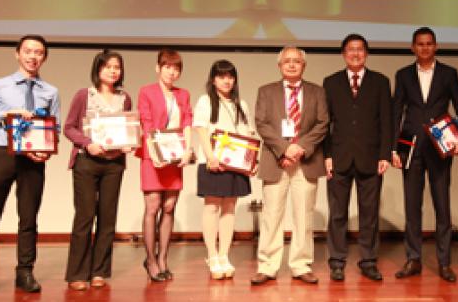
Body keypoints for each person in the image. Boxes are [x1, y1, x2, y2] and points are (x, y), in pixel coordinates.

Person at [0, 35, 60, 300]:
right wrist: (6, 116)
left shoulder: (50, 91)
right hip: (1, 154)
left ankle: (25, 272)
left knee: (29, 218)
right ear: (17, 54)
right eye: (28, 51)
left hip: (33, 159)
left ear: (44, 57)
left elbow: (56, 128)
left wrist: (47, 150)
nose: (33, 56)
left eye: (39, 52)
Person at [391, 27, 458, 282]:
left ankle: (444, 263)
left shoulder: (449, 73)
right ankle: (413, 259)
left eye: (429, 44)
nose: (425, 48)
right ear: (413, 48)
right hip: (410, 147)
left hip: (440, 149)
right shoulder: (403, 74)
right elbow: (396, 112)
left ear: (436, 46)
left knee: (442, 206)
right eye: (420, 44)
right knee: (412, 207)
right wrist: (392, 148)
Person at [251, 46, 329, 285]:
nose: (292, 65)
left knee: (303, 216)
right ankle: (267, 266)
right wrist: (285, 149)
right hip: (276, 160)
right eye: (288, 61)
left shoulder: (317, 91)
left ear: (304, 65)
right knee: (271, 216)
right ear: (280, 65)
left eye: (297, 61)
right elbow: (262, 123)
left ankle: (300, 265)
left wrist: (300, 147)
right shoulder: (266, 91)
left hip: (306, 161)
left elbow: (323, 123)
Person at [323, 34, 392, 282]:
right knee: (337, 213)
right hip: (339, 158)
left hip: (371, 158)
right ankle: (337, 261)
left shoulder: (380, 82)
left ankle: (368, 260)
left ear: (366, 53)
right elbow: (325, 124)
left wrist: (385, 153)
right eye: (350, 49)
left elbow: (387, 121)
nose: (355, 53)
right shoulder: (330, 83)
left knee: (369, 213)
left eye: (360, 49)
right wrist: (327, 155)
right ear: (343, 53)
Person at [63, 50, 133, 291]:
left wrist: (128, 143)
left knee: (107, 218)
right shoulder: (84, 95)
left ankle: (99, 271)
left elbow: (128, 128)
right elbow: (69, 128)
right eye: (108, 67)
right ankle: (77, 274)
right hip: (87, 161)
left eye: (117, 67)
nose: (113, 71)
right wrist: (87, 143)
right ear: (98, 69)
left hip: (114, 164)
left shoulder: (125, 98)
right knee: (84, 217)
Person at [193, 59, 255, 280]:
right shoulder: (205, 101)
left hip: (236, 165)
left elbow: (248, 136)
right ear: (213, 79)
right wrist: (210, 157)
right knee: (211, 208)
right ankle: (211, 255)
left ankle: (224, 255)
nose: (226, 80)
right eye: (221, 76)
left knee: (229, 208)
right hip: (213, 162)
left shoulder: (241, 104)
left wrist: (251, 162)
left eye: (230, 76)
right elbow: (200, 130)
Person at [136, 49, 193, 281]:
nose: (172, 71)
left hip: (176, 155)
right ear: (158, 68)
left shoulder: (183, 94)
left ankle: (163, 259)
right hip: (154, 155)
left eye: (176, 68)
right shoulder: (146, 92)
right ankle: (150, 260)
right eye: (168, 66)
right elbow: (146, 123)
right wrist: (154, 151)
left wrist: (188, 149)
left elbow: (187, 121)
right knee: (153, 206)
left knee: (169, 206)